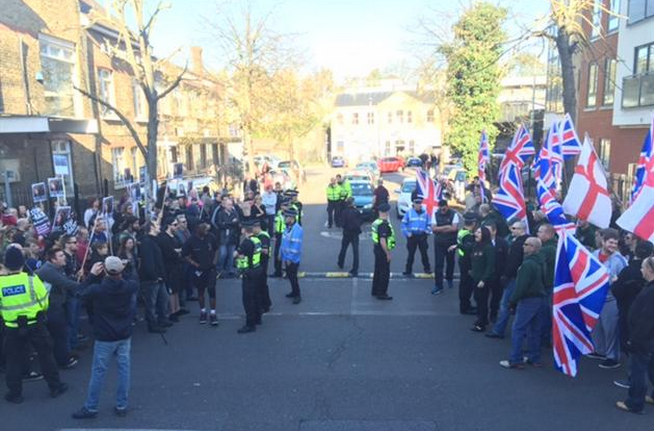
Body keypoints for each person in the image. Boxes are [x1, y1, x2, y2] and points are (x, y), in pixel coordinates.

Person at [72, 257, 138, 419]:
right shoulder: (129, 286)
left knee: (99, 372)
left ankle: (91, 406)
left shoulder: (98, 289)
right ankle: (121, 404)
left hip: (105, 336)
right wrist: (126, 267)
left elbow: (78, 293)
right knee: (124, 369)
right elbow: (134, 280)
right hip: (124, 334)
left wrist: (92, 276)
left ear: (105, 271)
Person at [1, 246, 69, 404]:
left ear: (6, 265)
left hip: (11, 326)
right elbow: (45, 301)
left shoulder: (1, 284)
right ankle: (55, 386)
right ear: (22, 263)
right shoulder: (32, 280)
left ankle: (15, 394)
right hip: (35, 324)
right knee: (46, 356)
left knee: (13, 360)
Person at [499, 237, 546, 369]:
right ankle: (534, 357)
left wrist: (512, 301)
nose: (523, 246)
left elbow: (521, 286)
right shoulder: (541, 262)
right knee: (534, 330)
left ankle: (516, 359)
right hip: (540, 299)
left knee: (518, 329)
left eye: (526, 245)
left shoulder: (527, 264)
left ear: (532, 248)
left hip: (528, 300)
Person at [616, 256, 654, 414]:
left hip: (643, 339)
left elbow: (646, 319)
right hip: (648, 338)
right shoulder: (649, 287)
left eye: (643, 267)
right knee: (652, 366)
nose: (640, 270)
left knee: (638, 370)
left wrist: (634, 340)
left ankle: (634, 403)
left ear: (650, 270)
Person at [590, 228, 628, 369]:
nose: (613, 245)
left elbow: (625, 280)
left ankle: (613, 357)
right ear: (603, 242)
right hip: (595, 296)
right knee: (596, 326)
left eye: (615, 243)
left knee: (610, 328)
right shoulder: (593, 254)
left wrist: (617, 281)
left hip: (611, 299)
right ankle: (600, 350)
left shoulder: (620, 260)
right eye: (610, 242)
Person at [36, 247, 80, 369]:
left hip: (56, 305)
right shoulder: (48, 270)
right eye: (60, 256)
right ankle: (62, 360)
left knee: (61, 332)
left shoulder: (56, 268)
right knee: (59, 334)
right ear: (53, 259)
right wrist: (84, 285)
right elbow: (65, 283)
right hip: (51, 308)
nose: (64, 257)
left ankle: (64, 354)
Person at [487, 220, 529, 338]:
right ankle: (524, 330)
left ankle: (498, 330)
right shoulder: (527, 241)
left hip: (513, 278)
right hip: (521, 277)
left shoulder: (517, 244)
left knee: (505, 305)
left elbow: (513, 262)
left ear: (522, 230)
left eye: (515, 228)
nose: (512, 230)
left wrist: (505, 275)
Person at [182, 223, 219, 325]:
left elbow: (216, 249)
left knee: (211, 289)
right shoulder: (191, 241)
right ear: (198, 230)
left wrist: (214, 262)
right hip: (199, 270)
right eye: (205, 230)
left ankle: (213, 313)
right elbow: (184, 255)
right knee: (201, 291)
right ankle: (203, 311)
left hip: (210, 268)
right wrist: (194, 263)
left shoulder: (211, 237)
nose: (207, 232)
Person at [138, 221, 169, 334]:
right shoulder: (147, 242)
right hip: (152, 278)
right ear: (151, 227)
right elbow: (148, 261)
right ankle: (152, 324)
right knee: (151, 302)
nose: (159, 227)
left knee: (163, 298)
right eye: (157, 225)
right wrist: (154, 276)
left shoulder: (153, 240)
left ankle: (162, 318)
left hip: (159, 276)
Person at [235, 220, 264, 333]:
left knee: (248, 300)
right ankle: (258, 318)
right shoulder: (257, 239)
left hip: (249, 273)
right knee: (256, 296)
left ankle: (250, 324)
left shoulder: (246, 243)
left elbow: (237, 254)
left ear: (244, 230)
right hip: (257, 269)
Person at [449, 212, 477, 314]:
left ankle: (465, 305)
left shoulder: (462, 231)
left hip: (462, 260)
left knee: (464, 284)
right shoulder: (468, 236)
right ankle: (465, 307)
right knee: (467, 286)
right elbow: (469, 248)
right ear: (473, 223)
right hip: (467, 262)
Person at [157, 218, 185, 321]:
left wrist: (178, 251)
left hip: (177, 265)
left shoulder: (175, 236)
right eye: (174, 224)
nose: (176, 226)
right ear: (168, 226)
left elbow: (180, 247)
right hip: (169, 267)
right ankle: (172, 311)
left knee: (177, 288)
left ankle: (177, 308)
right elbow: (169, 253)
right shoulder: (164, 238)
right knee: (172, 290)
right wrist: (177, 252)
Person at [431, 199, 459, 295]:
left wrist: (440, 229)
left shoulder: (454, 214)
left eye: (444, 209)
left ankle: (449, 278)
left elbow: (454, 228)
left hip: (451, 242)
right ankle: (438, 285)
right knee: (439, 264)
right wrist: (447, 227)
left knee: (450, 262)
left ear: (447, 206)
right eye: (440, 209)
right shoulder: (435, 214)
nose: (442, 211)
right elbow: (434, 229)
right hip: (439, 243)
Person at [470, 226, 495, 332]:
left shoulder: (488, 248)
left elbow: (490, 266)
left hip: (482, 280)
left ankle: (481, 323)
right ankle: (482, 319)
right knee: (477, 299)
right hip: (476, 278)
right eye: (476, 232)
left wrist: (484, 279)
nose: (476, 234)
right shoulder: (476, 246)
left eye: (479, 232)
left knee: (482, 301)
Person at [483, 221, 509, 323]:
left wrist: (504, 274)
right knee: (482, 297)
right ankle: (483, 316)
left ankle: (493, 313)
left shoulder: (502, 243)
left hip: (497, 275)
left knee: (496, 296)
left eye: (488, 230)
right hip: (484, 275)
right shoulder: (481, 242)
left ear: (494, 231)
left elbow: (506, 258)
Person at [536, 223, 557, 346]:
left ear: (548, 234)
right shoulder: (554, 246)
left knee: (544, 313)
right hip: (552, 283)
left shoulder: (546, 250)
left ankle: (544, 338)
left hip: (547, 284)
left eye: (540, 232)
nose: (538, 234)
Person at [401, 197, 431, 276]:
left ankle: (427, 269)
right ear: (413, 204)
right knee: (411, 254)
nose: (418, 205)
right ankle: (408, 270)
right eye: (416, 204)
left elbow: (429, 224)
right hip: (412, 237)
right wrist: (407, 233)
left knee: (424, 254)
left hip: (422, 236)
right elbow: (403, 224)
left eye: (419, 204)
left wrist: (426, 233)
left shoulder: (425, 213)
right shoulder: (409, 213)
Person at [371, 203, 395, 300]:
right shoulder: (383, 224)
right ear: (387, 212)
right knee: (384, 272)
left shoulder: (376, 222)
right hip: (382, 250)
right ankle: (382, 293)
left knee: (377, 270)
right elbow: (382, 240)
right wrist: (387, 253)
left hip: (377, 249)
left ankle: (375, 290)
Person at [280, 208, 303, 304]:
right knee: (290, 276)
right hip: (287, 257)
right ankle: (293, 292)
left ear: (291, 218)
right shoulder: (288, 227)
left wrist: (289, 258)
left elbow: (295, 247)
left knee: (293, 277)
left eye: (286, 217)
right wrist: (281, 254)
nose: (285, 219)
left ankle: (297, 295)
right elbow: (284, 242)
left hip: (292, 259)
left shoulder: (297, 229)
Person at [212, 196, 239, 278]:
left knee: (231, 255)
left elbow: (237, 223)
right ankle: (219, 269)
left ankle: (229, 270)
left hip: (232, 237)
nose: (230, 206)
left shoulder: (235, 213)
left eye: (231, 204)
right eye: (228, 204)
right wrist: (231, 223)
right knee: (223, 254)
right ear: (225, 205)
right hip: (223, 237)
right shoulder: (220, 214)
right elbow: (220, 225)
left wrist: (226, 223)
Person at [337, 197, 361, 276]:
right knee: (355, 251)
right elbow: (360, 221)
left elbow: (342, 223)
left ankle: (341, 262)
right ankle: (355, 269)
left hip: (347, 233)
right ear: (352, 203)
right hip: (355, 234)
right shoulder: (356, 211)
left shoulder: (344, 212)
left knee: (343, 248)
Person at [253, 221, 272, 313]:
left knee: (261, 285)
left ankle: (264, 305)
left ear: (257, 227)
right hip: (262, 263)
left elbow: (265, 250)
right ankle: (266, 303)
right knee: (262, 285)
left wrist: (254, 249)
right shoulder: (261, 235)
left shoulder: (263, 236)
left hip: (262, 263)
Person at [270, 198, 291, 278]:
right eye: (284, 205)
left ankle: (287, 272)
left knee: (287, 254)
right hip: (279, 235)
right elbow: (275, 223)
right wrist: (275, 233)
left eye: (287, 205)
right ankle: (278, 271)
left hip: (286, 235)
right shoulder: (278, 213)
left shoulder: (289, 214)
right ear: (281, 206)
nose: (286, 207)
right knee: (277, 254)